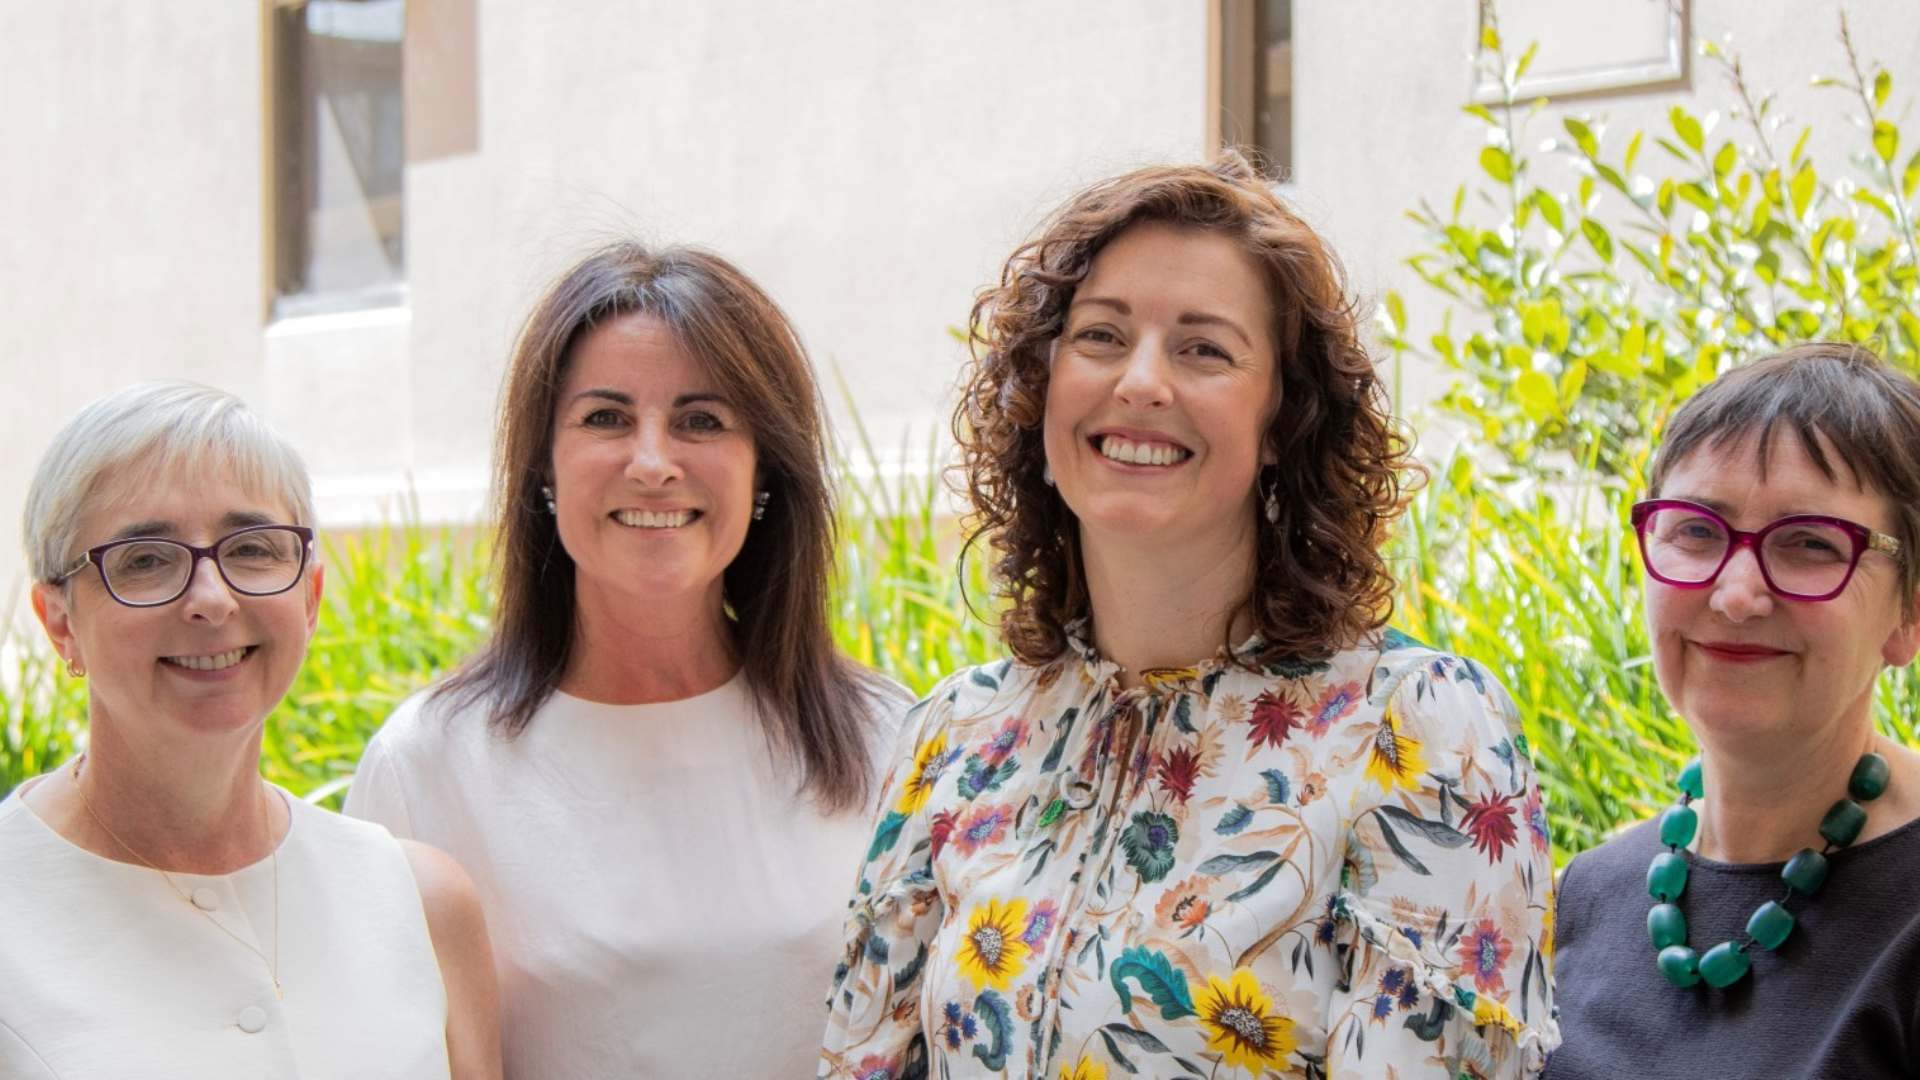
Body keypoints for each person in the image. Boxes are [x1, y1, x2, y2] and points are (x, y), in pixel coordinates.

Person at [821, 155, 1558, 1079]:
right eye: (1099, 336)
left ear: (1284, 420)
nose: (1141, 381)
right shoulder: (955, 738)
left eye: (1204, 348)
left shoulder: (1416, 729)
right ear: (1039, 392)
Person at [346, 241, 902, 1078]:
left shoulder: (887, 738)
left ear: (763, 473)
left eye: (701, 420)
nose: (652, 462)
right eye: (605, 418)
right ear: (544, 466)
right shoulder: (427, 765)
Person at [0, 381, 500, 1079]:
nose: (212, 599)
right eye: (146, 559)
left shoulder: (421, 903)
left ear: (311, 596)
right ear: (59, 622)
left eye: (254, 549)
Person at [1546, 343, 1920, 1078]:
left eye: (1810, 543)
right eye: (1696, 530)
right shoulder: (1582, 896)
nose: (1737, 594)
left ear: (1909, 611)